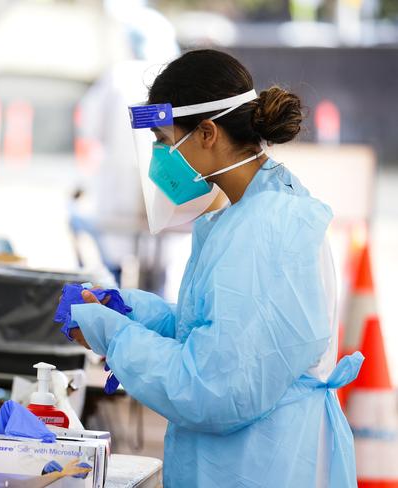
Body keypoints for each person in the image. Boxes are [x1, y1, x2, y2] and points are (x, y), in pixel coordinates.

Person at [67, 50, 363, 487]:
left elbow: (212, 388)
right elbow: (217, 331)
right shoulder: (249, 213)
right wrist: (133, 314)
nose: (160, 159)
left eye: (166, 142)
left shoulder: (264, 229)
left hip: (257, 466)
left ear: (207, 132)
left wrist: (115, 336)